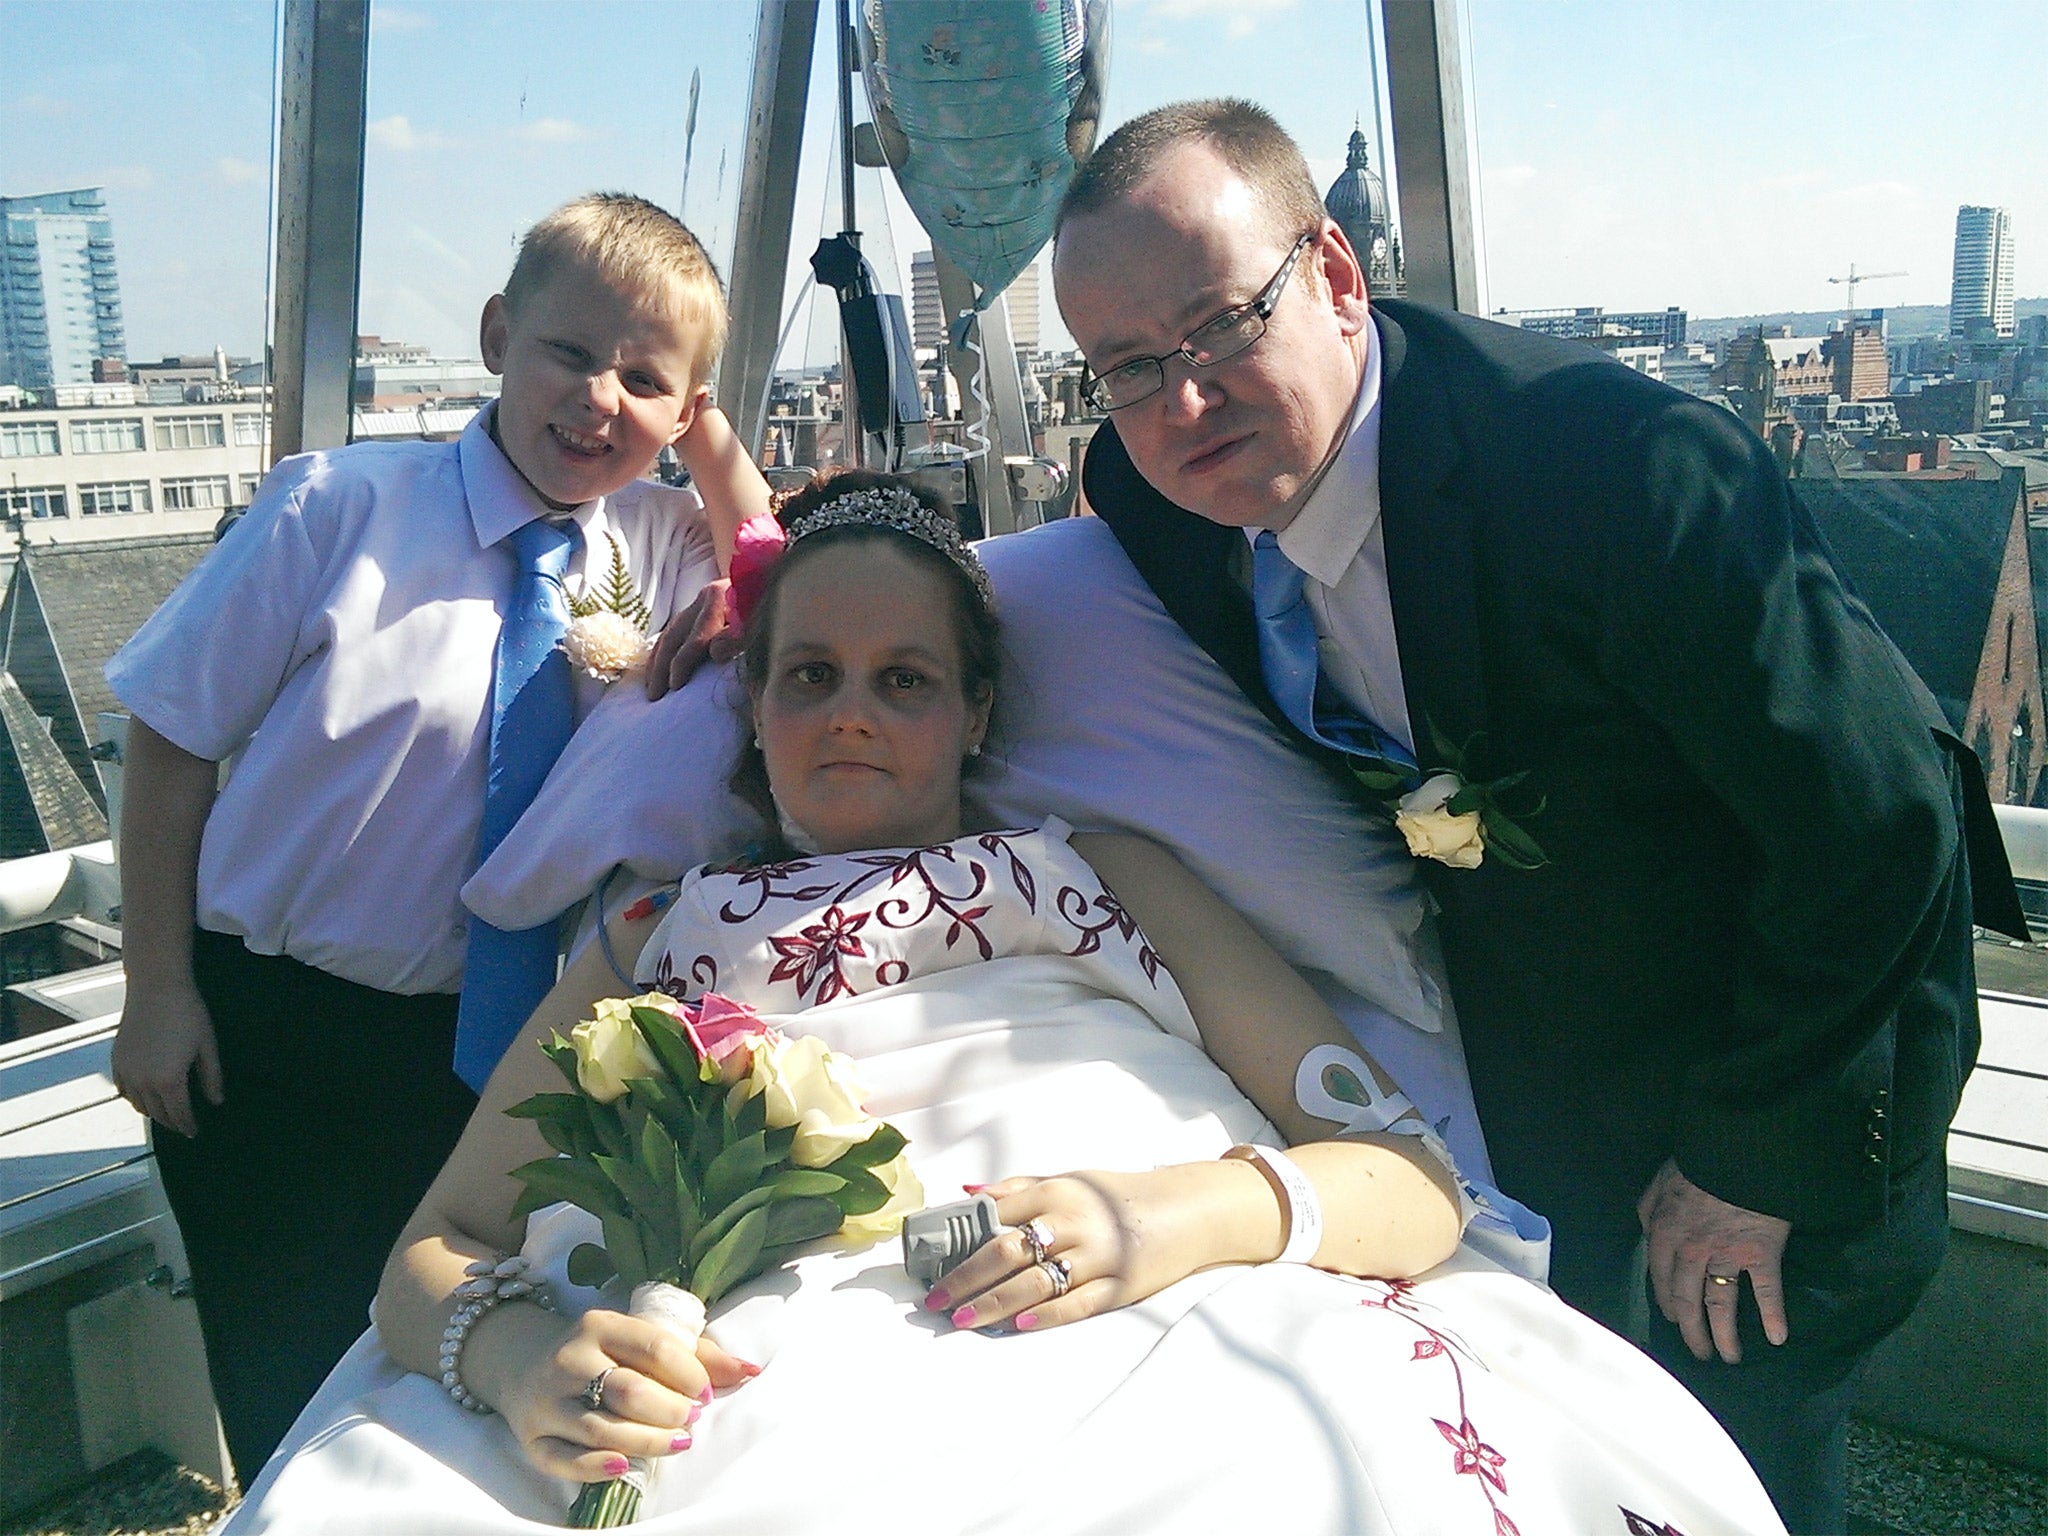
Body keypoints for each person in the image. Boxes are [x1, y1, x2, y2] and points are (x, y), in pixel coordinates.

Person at [225, 473, 1783, 1536]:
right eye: (809, 676)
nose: (850, 716)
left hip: (1163, 1287)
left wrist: (1172, 1219)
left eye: (906, 680)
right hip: (753, 1355)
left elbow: (1407, 1185)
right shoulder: (646, 934)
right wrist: (509, 1363)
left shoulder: (1099, 871)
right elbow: (433, 1253)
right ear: (750, 709)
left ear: (977, 712)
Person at [1049, 99, 2021, 1533]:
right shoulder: (1155, 503)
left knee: (1742, 1462)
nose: (1180, 403)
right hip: (1560, 1062)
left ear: (1332, 277)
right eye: (1127, 368)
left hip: (1800, 1053)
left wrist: (1755, 1164)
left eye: (1217, 328)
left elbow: (1880, 819)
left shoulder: (1618, 468)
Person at [105, 192, 769, 1478]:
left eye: (644, 380)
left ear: (684, 415)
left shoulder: (652, 543)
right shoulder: (336, 510)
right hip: (275, 1029)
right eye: (568, 354)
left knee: (464, 1383)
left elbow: (772, 565)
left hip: (501, 1050)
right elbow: (173, 739)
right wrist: (158, 985)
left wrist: (710, 447)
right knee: (290, 1366)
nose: (596, 401)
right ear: (495, 337)